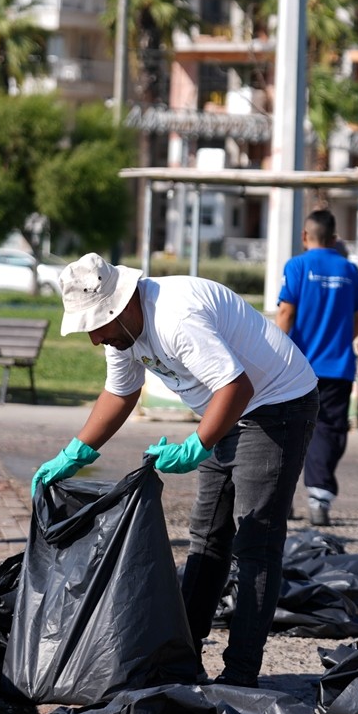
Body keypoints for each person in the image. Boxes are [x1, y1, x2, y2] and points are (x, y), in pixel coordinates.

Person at [32, 253, 318, 688]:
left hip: (276, 405)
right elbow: (121, 393)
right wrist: (75, 452)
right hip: (227, 409)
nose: (95, 339)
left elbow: (236, 387)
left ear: (120, 304)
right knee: (208, 536)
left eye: (96, 326)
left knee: (256, 540)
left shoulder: (175, 317)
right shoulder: (121, 333)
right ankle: (183, 657)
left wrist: (198, 444)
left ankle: (241, 675)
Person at [277, 209, 358, 527]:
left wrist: (276, 350)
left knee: (286, 429)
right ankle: (320, 499)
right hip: (338, 367)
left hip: (297, 367)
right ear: (334, 238)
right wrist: (342, 340)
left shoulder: (297, 265)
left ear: (305, 236)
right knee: (329, 431)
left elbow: (286, 312)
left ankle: (280, 499)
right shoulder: (350, 270)